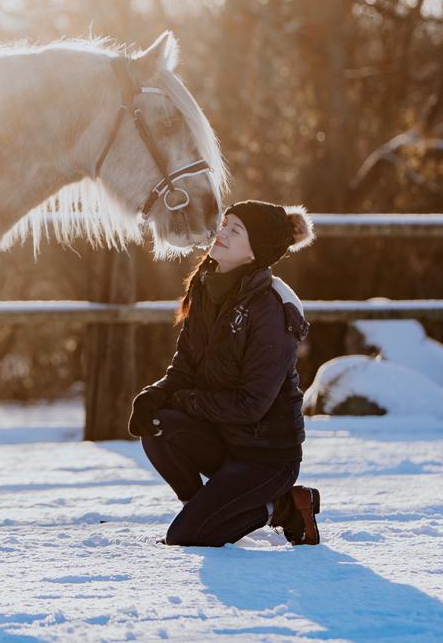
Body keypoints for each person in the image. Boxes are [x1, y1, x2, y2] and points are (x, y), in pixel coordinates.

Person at [128, 200, 321, 547]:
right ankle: (209, 508)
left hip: (266, 458)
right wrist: (154, 394)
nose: (223, 232)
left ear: (255, 251)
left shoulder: (270, 310)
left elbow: (251, 405)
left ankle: (278, 508)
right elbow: (185, 365)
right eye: (225, 223)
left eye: (237, 229)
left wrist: (185, 400)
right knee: (155, 425)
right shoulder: (206, 288)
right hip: (225, 439)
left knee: (185, 537)